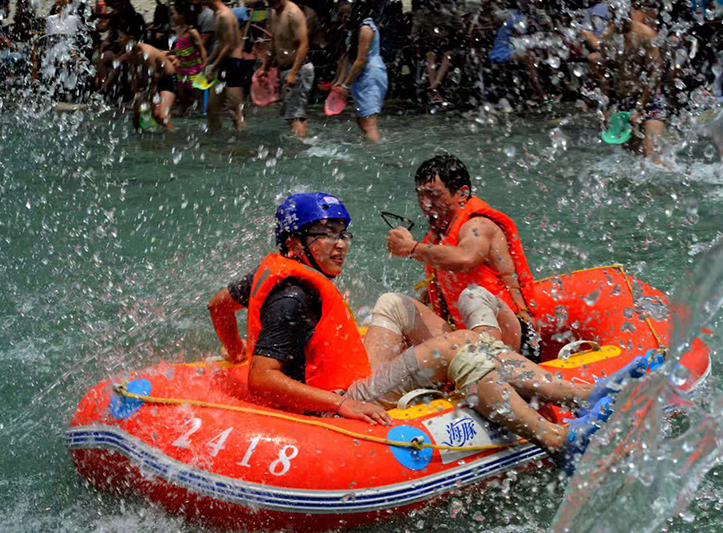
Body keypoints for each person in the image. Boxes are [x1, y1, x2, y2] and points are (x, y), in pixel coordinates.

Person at [208, 192, 646, 468]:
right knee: (459, 347)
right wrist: (341, 406)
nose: (341, 244)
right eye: (326, 234)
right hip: (335, 400)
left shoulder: (270, 273)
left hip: (345, 376)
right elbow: (262, 379)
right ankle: (561, 432)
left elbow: (218, 306)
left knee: (393, 305)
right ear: (294, 244)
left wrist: (234, 351)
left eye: (344, 233)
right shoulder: (293, 298)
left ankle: (582, 395)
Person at [385, 154, 540, 362]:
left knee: (473, 295)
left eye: (433, 194)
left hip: (513, 335)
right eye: (420, 195)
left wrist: (411, 248)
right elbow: (445, 285)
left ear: (462, 194)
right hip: (468, 336)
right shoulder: (438, 236)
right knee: (395, 304)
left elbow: (466, 260)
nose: (425, 204)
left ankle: (487, 368)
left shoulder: (478, 225)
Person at [596, 4, 666, 163]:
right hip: (624, 101)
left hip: (650, 101)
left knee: (653, 157)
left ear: (629, 12)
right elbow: (605, 76)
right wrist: (605, 108)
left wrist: (641, 105)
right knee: (632, 159)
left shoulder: (646, 34)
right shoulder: (608, 37)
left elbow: (655, 74)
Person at [256, 0, 313, 139]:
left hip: (298, 69)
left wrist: (293, 72)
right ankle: (306, 144)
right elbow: (274, 42)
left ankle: (300, 151)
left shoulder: (293, 13)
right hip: (286, 70)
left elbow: (304, 44)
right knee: (295, 115)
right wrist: (265, 67)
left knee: (293, 116)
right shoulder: (274, 13)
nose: (271, 2)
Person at [332, 0, 387, 142]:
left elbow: (361, 60)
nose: (346, 17)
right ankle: (369, 145)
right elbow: (347, 58)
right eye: (343, 14)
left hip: (370, 76)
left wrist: (345, 85)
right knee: (361, 118)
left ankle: (373, 153)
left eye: (349, 13)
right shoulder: (354, 30)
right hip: (359, 75)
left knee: (369, 122)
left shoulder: (366, 29)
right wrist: (339, 81)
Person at [118, 22, 177, 131]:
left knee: (161, 116)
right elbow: (133, 74)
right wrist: (136, 95)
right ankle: (139, 142)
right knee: (136, 115)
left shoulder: (146, 53)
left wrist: (150, 98)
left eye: (121, 37)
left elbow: (154, 77)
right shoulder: (130, 53)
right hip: (152, 81)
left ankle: (171, 139)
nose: (118, 40)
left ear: (130, 38)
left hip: (167, 80)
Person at [202, 0, 246, 133]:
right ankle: (214, 139)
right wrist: (208, 61)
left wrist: (213, 68)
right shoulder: (217, 14)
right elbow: (221, 44)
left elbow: (229, 45)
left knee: (235, 111)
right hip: (223, 64)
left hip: (234, 63)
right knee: (211, 109)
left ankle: (241, 145)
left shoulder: (225, 15)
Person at [168, 4, 206, 115]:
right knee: (182, 92)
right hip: (182, 68)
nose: (172, 16)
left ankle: (202, 110)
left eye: (174, 13)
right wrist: (168, 52)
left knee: (197, 92)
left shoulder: (191, 32)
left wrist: (205, 65)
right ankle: (182, 108)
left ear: (182, 15)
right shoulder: (178, 30)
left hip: (193, 68)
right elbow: (179, 48)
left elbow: (202, 49)